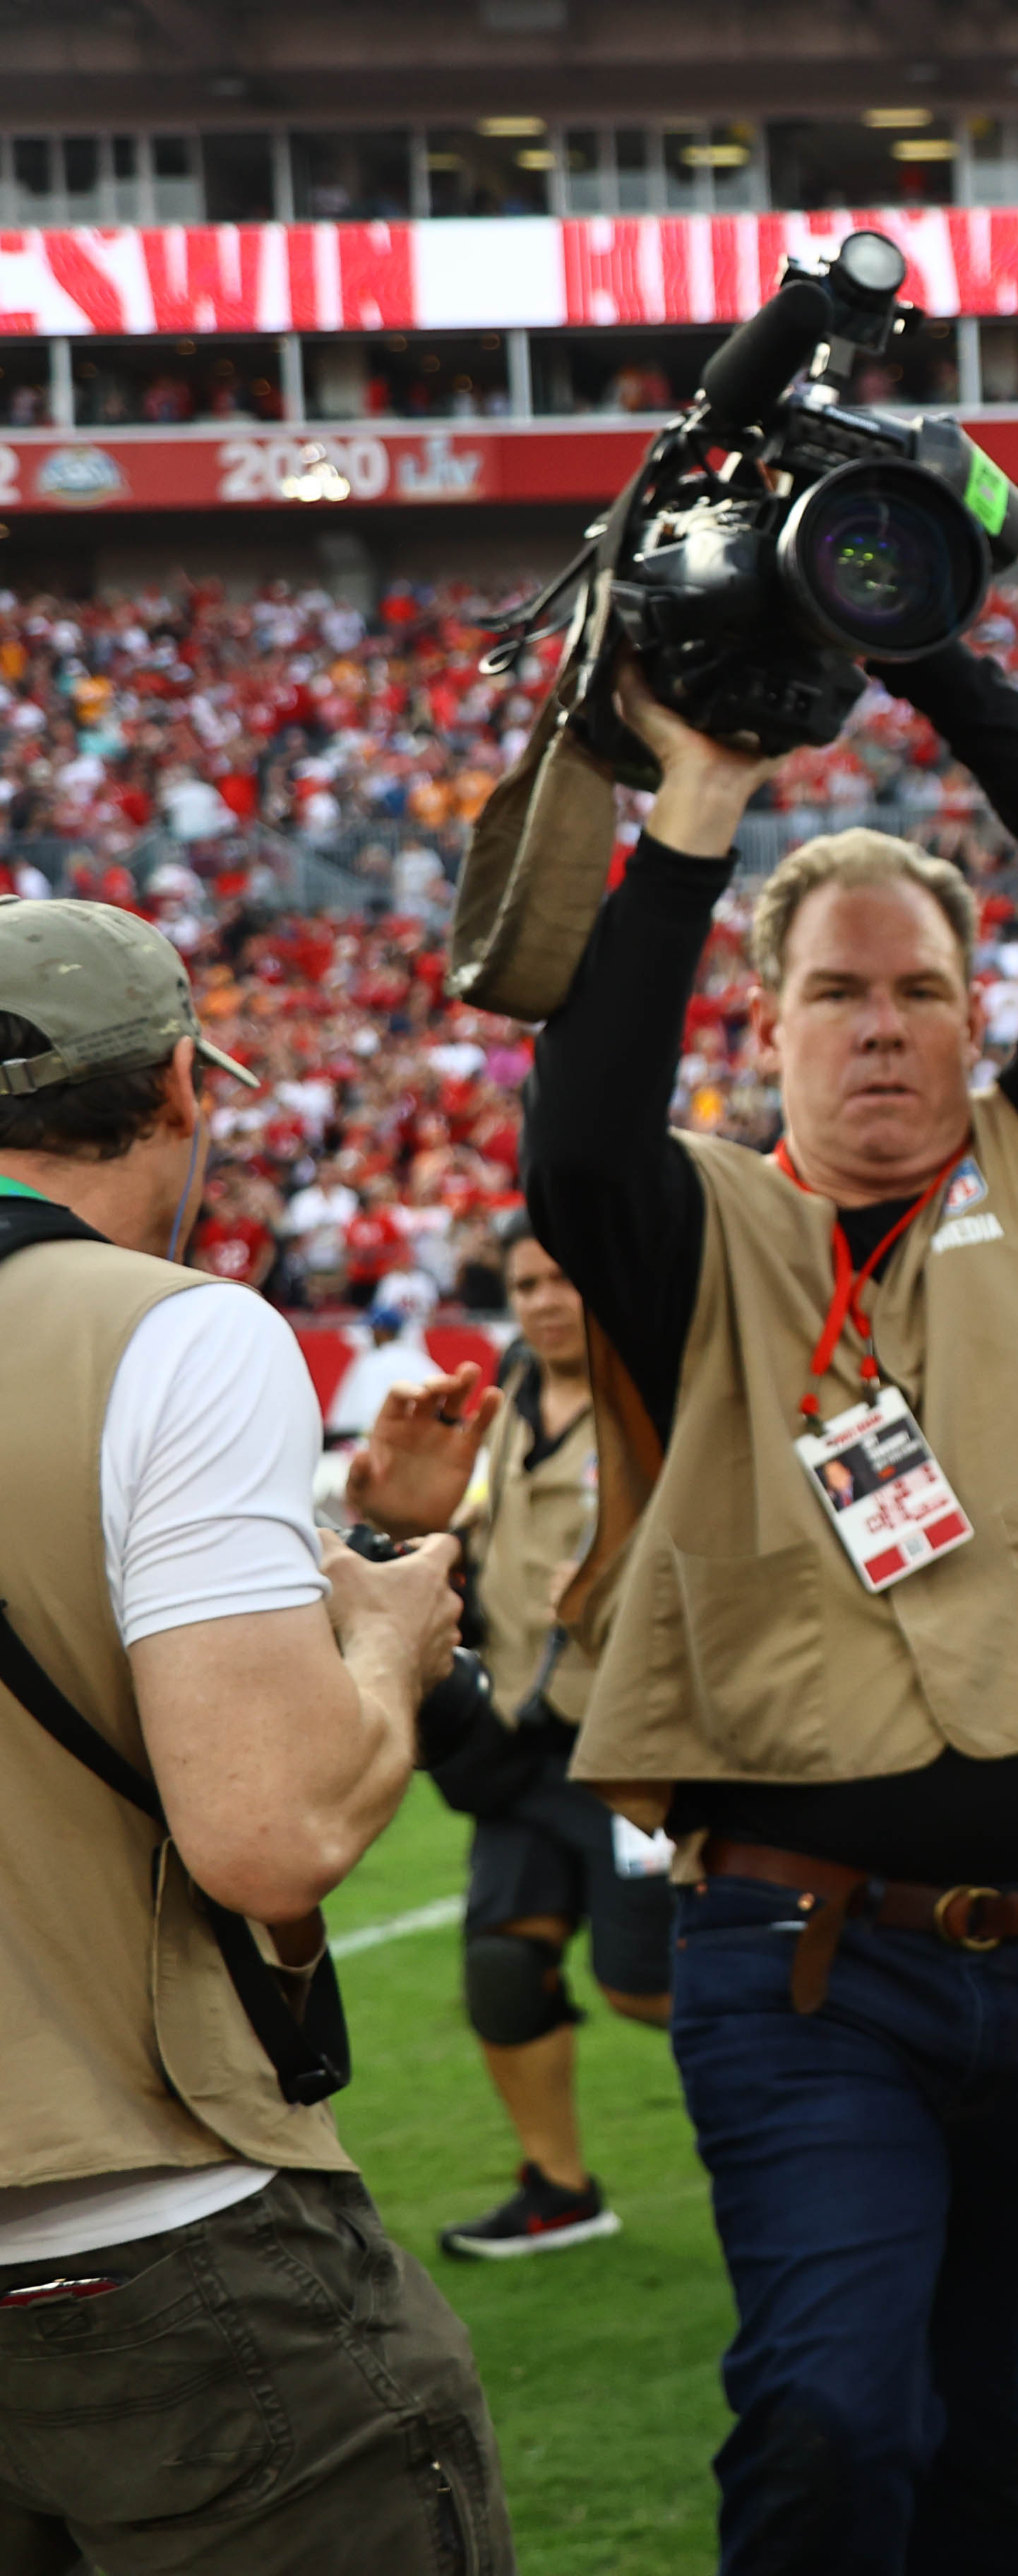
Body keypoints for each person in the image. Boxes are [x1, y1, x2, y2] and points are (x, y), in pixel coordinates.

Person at [523, 637, 1018, 2574]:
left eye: (921, 992)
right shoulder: (690, 1226)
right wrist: (700, 805)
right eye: (839, 995)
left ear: (979, 1016)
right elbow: (574, 1137)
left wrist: (925, 652)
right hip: (803, 1961)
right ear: (766, 1018)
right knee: (831, 2416)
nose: (883, 1028)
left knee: (1008, 2450)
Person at [0, 898, 514, 2572]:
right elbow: (268, 1835)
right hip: (150, 2223)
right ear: (176, 1089)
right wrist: (389, 1637)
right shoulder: (172, 1327)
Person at [347, 1215, 677, 2260]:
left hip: (635, 1744)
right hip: (517, 1742)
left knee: (649, 1986)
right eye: (526, 1281)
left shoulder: (665, 1393)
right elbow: (443, 1541)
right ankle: (558, 2188)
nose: (542, 1298)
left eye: (563, 1278)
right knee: (501, 1964)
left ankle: (867, 2095)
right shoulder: (498, 1405)